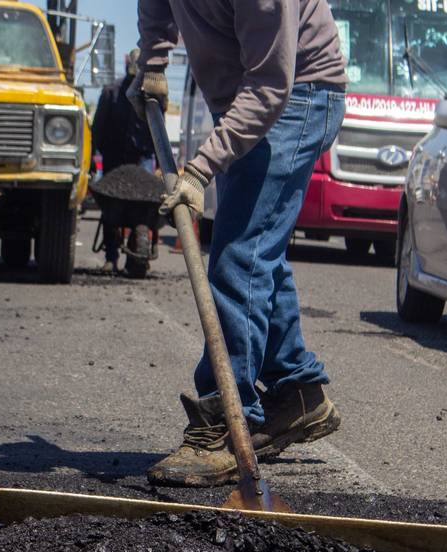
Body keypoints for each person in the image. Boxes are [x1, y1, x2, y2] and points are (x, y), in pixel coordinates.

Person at [130, 0, 348, 487]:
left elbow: (273, 85)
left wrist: (199, 170)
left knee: (239, 257)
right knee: (256, 249)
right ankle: (297, 395)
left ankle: (226, 423)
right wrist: (153, 62)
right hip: (241, 96)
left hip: (298, 96)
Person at [92, 48, 155, 272]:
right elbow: (98, 129)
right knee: (112, 209)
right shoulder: (112, 93)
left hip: (141, 159)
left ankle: (141, 251)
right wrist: (92, 158)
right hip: (115, 160)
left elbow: (160, 132)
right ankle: (111, 257)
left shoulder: (151, 96)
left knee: (145, 206)